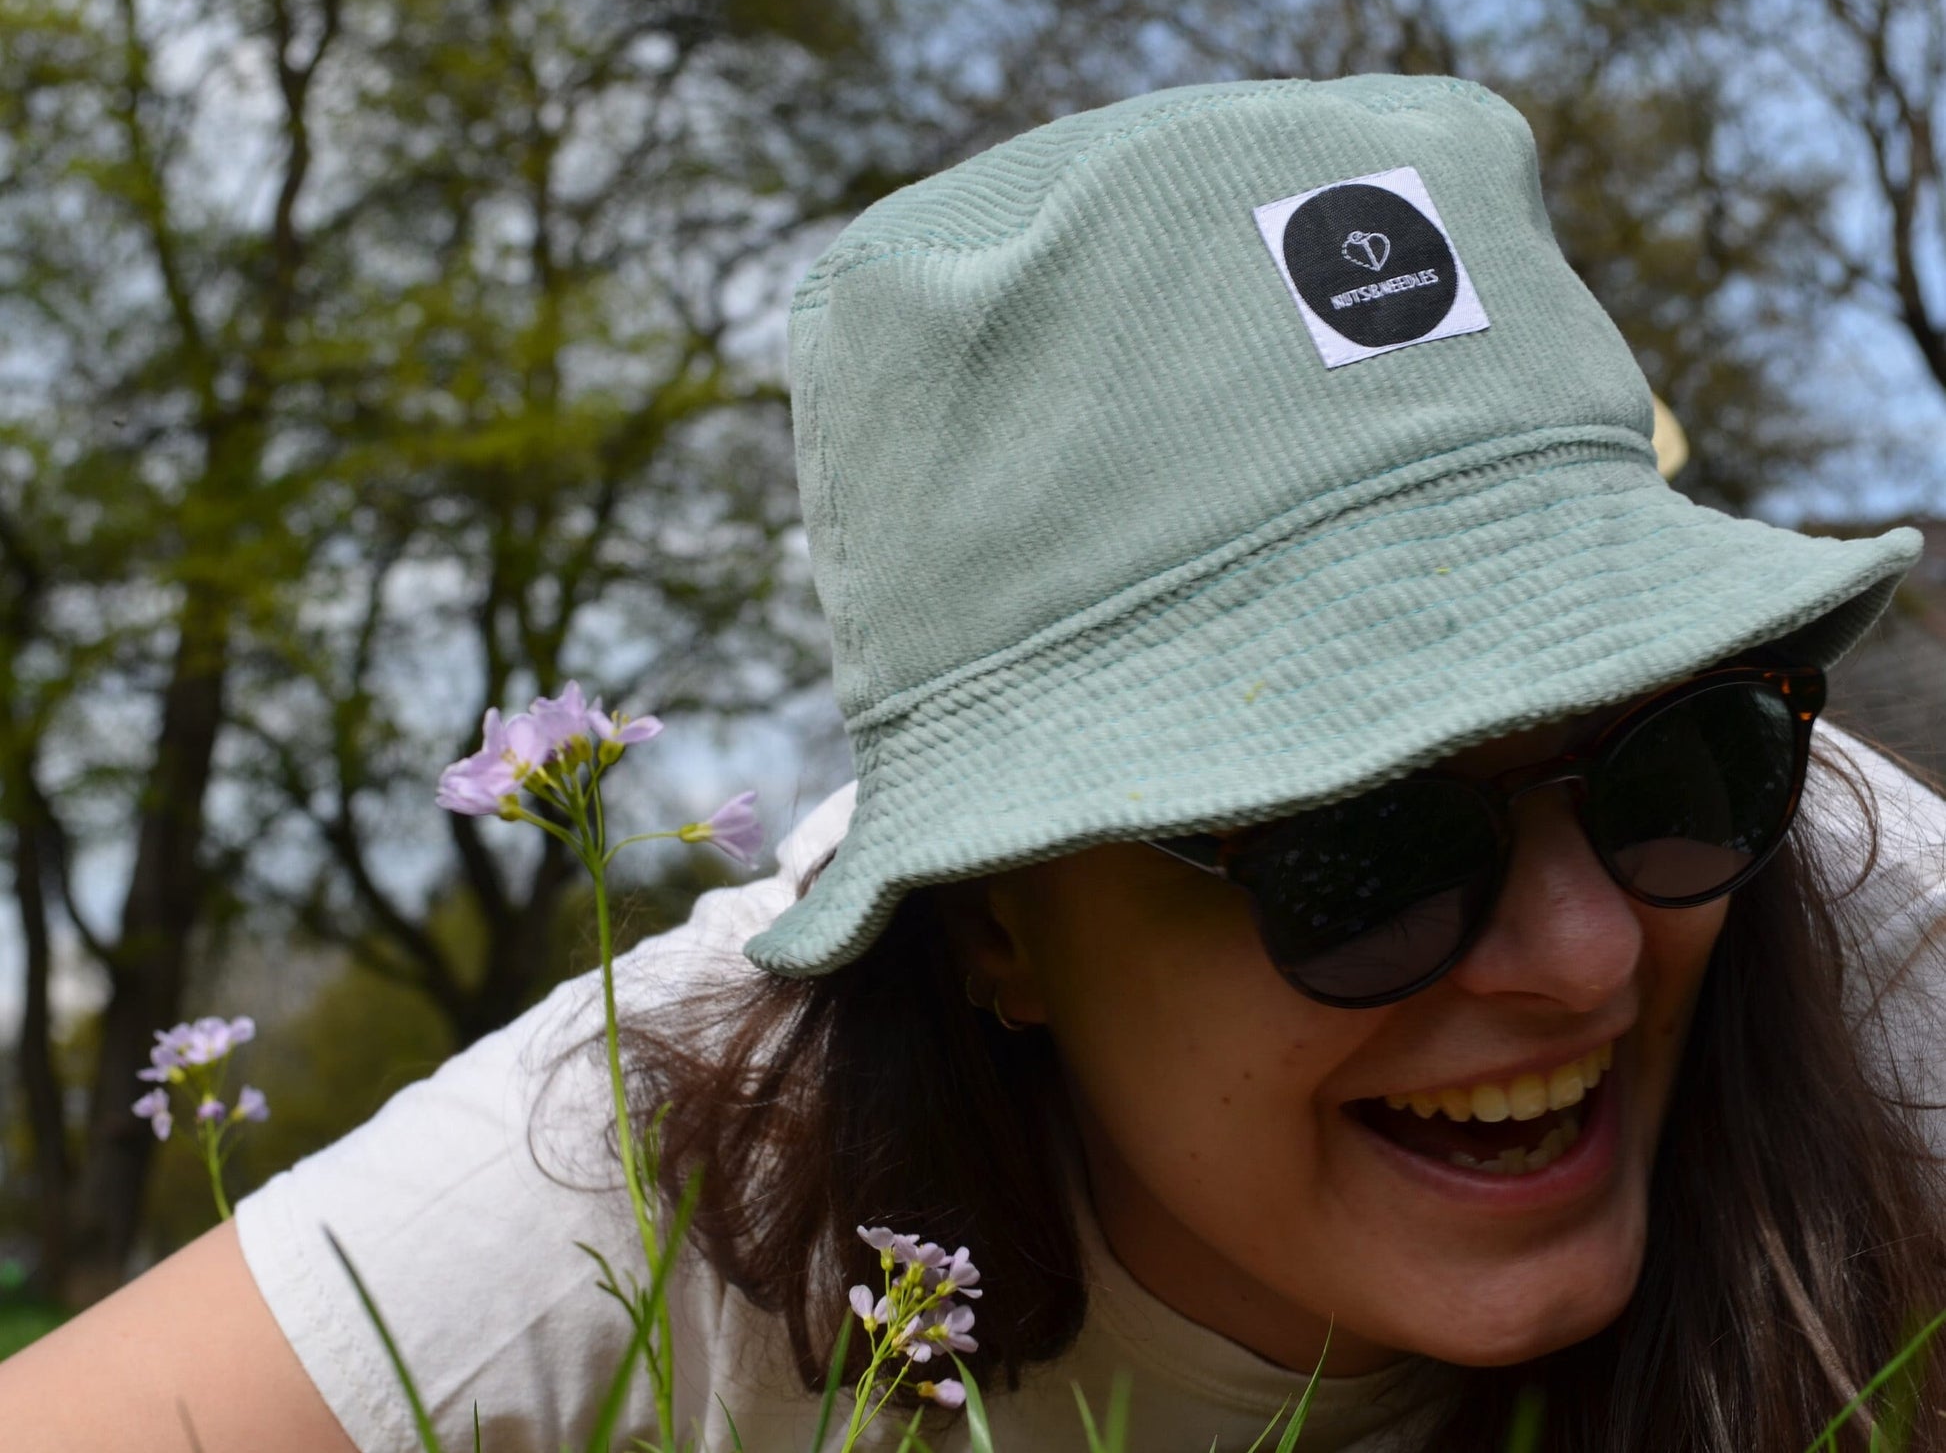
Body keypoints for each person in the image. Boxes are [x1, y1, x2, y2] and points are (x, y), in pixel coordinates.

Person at [7, 73, 1946, 1453]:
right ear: (993, 928)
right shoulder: (683, 1162)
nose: (1587, 950)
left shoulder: (1868, 936)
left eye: (1672, 767)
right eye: (1365, 853)